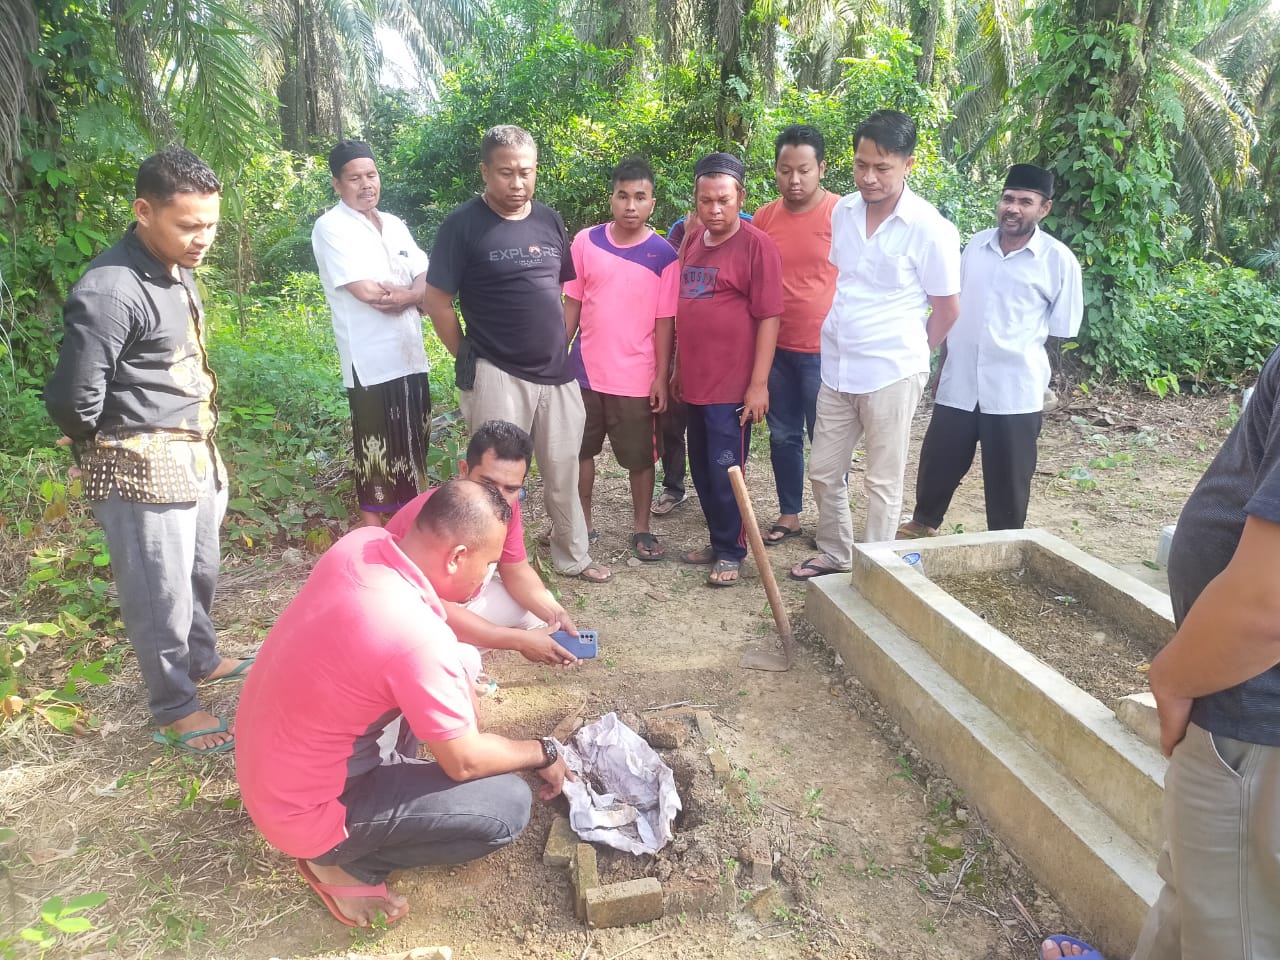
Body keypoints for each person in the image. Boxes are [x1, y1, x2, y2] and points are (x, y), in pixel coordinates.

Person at [236, 479, 572, 928]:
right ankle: (341, 863)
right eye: (489, 564)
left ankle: (366, 808)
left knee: (449, 680)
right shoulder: (416, 639)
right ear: (456, 557)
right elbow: (465, 763)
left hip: (270, 771)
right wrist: (542, 750)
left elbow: (434, 618)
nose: (489, 576)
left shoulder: (364, 544)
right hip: (305, 811)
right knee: (506, 806)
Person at [45, 147, 247, 754]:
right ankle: (173, 705)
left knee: (196, 574)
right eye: (188, 225)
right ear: (143, 212)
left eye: (211, 224)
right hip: (139, 463)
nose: (202, 238)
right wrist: (93, 435)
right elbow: (75, 397)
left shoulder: (175, 269)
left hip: (194, 454)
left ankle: (203, 659)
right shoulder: (110, 289)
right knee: (159, 593)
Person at [423, 125, 609, 583]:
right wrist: (468, 354)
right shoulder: (461, 226)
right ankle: (491, 564)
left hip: (557, 374)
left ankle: (572, 556)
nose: (517, 183)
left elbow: (562, 289)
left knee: (564, 470)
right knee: (494, 481)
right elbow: (437, 301)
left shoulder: (548, 219)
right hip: (497, 373)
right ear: (485, 171)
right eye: (505, 173)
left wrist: (559, 343)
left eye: (526, 172)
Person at [791, 110, 961, 581]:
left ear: (908, 164)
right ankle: (835, 552)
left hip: (893, 370)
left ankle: (876, 569)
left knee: (883, 480)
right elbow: (847, 282)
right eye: (861, 165)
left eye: (882, 168)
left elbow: (947, 309)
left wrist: (912, 359)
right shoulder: (843, 211)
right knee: (824, 470)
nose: (868, 177)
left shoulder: (930, 228)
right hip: (838, 366)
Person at [900, 164, 1082, 537]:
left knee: (1009, 477)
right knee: (939, 460)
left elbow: (1060, 331)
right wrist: (941, 369)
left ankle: (1006, 542)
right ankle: (923, 525)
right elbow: (954, 310)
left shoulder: (1057, 260)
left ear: (1043, 209)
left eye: (1025, 202)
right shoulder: (974, 248)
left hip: (1015, 389)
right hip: (961, 380)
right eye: (1008, 199)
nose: (1013, 208)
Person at [385, 421, 580, 672]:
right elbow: (427, 606)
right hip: (409, 617)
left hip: (453, 602)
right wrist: (518, 641)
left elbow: (516, 570)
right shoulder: (438, 515)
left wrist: (557, 615)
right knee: (463, 661)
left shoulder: (502, 507)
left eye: (511, 489)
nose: (498, 496)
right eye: (488, 484)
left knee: (536, 611)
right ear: (464, 470)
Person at [674, 152, 783, 587]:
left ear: (740, 196)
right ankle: (720, 538)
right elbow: (685, 309)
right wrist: (678, 368)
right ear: (696, 201)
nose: (714, 210)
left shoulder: (758, 247)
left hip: (731, 386)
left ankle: (733, 551)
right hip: (695, 381)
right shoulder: (692, 241)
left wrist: (758, 385)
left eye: (723, 200)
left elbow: (770, 318)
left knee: (726, 470)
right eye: (706, 201)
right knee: (701, 468)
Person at [312, 140, 432, 528]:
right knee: (375, 453)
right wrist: (416, 296)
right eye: (354, 178)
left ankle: (409, 532)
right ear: (337, 184)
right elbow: (366, 293)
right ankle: (373, 540)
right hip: (371, 361)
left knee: (415, 445)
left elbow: (424, 273)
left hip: (410, 355)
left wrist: (410, 294)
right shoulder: (332, 227)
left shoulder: (394, 224)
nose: (366, 184)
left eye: (371, 174)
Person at [564, 156, 679, 561]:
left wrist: (661, 377)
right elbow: (573, 304)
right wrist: (555, 359)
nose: (631, 205)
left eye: (640, 197)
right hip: (583, 375)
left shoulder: (665, 256)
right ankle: (583, 524)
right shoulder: (585, 242)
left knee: (639, 459)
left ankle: (641, 528)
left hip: (636, 378)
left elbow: (665, 322)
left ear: (652, 203)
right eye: (623, 196)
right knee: (579, 452)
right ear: (611, 198)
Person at [750, 124, 840, 545]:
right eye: (785, 170)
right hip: (776, 349)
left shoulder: (841, 215)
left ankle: (831, 521)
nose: (795, 180)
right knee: (784, 434)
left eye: (804, 170)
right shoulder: (766, 217)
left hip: (826, 350)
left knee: (826, 437)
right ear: (776, 170)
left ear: (821, 168)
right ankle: (789, 513)